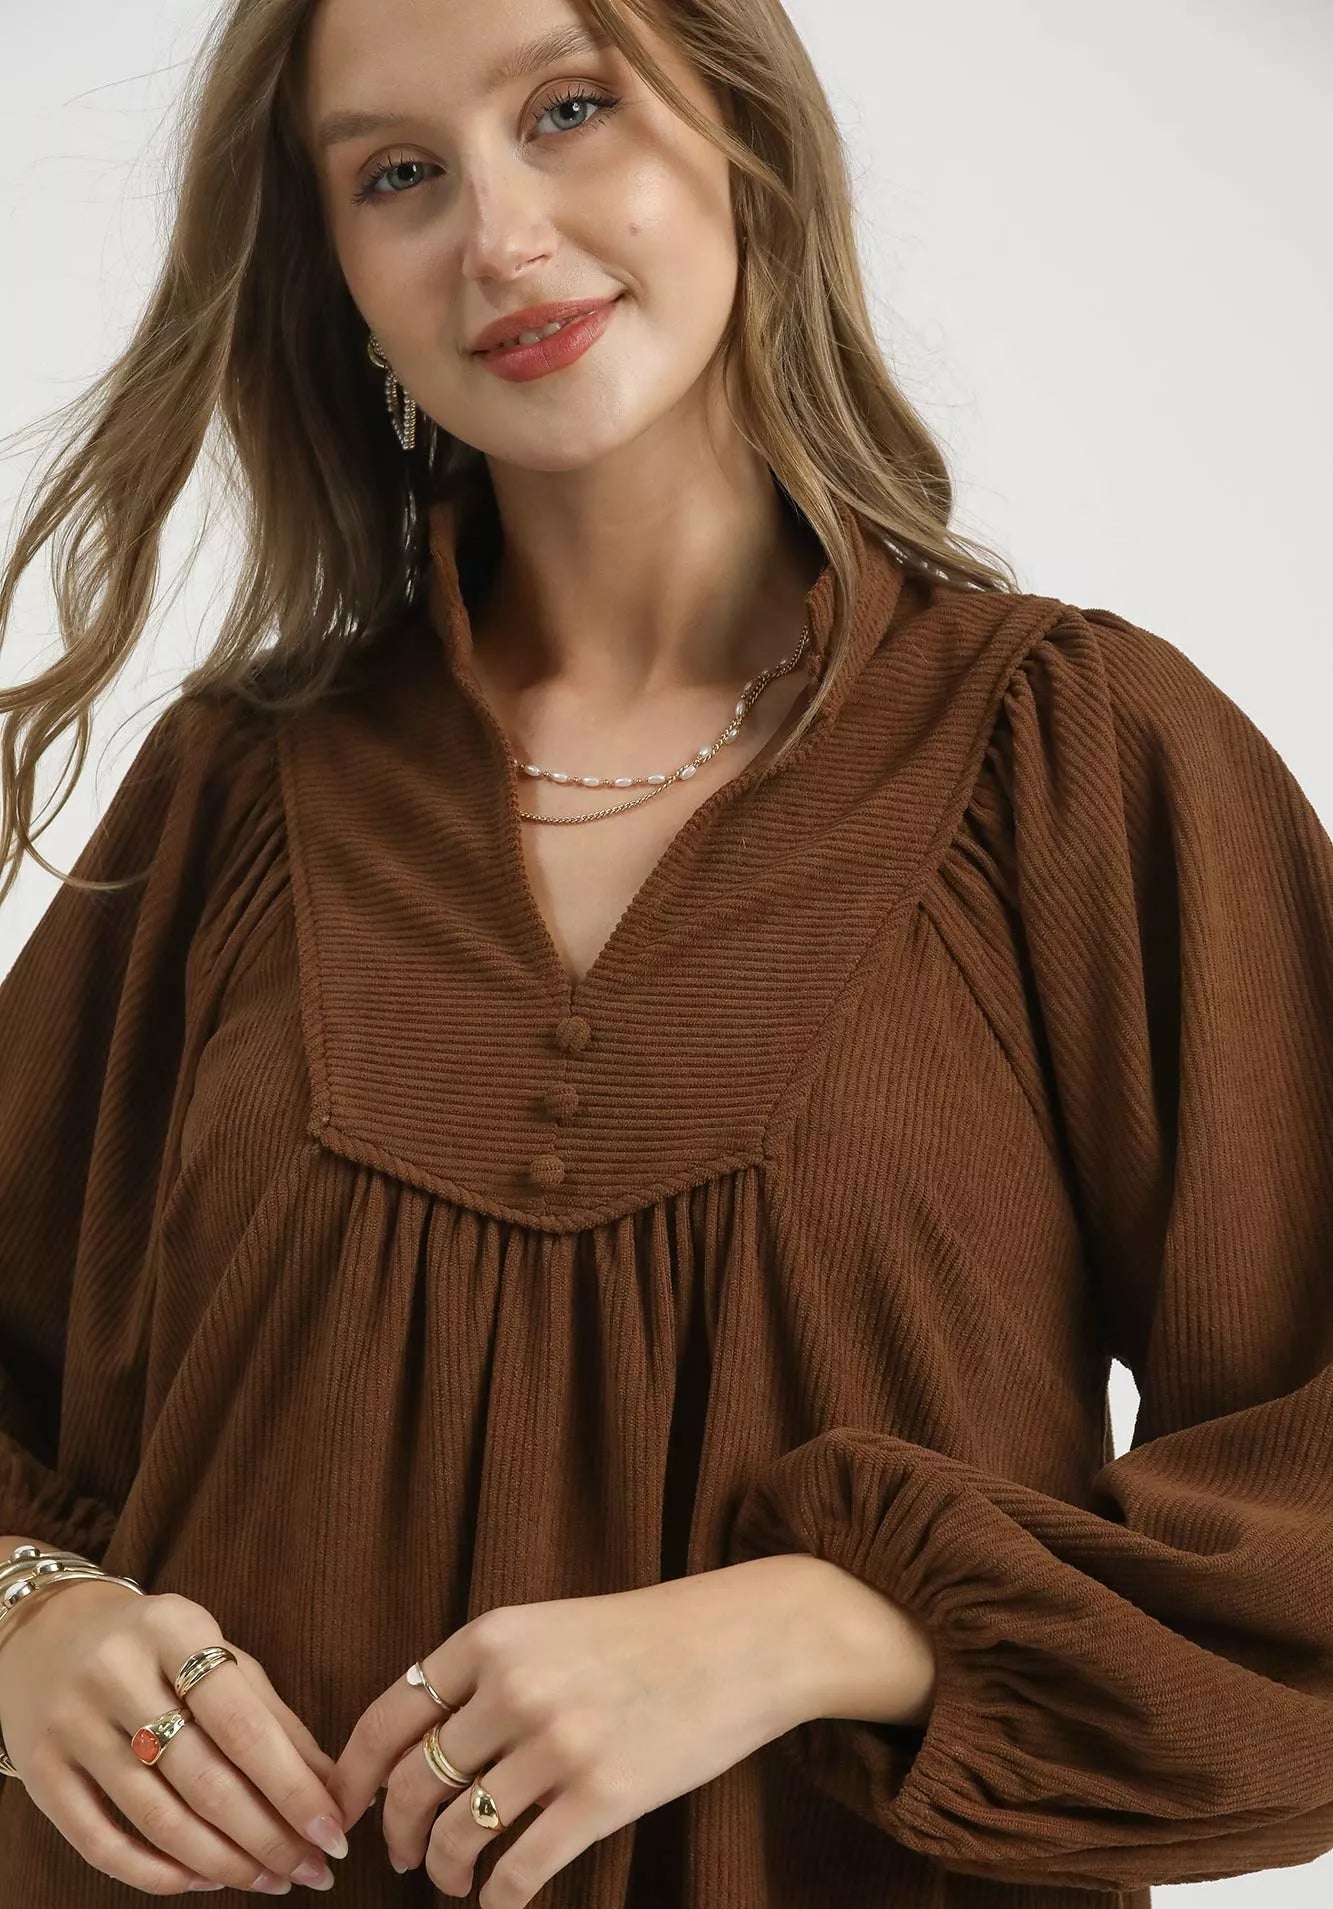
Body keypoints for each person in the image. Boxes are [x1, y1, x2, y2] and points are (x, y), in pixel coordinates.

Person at [1, 0, 1331, 1904]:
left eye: (567, 108)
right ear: (338, 281)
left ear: (745, 137)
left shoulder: (1078, 762)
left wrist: (820, 1627)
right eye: (397, 175)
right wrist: (29, 1621)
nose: (501, 235)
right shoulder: (234, 796)